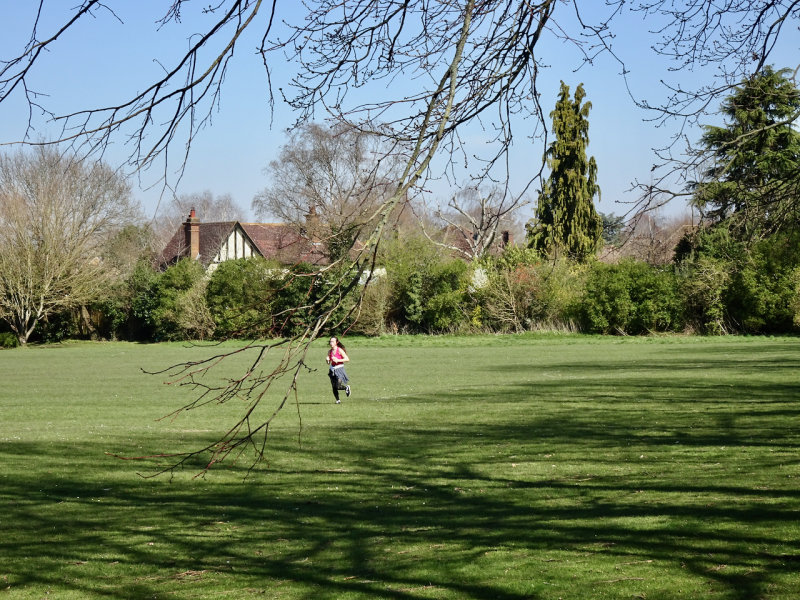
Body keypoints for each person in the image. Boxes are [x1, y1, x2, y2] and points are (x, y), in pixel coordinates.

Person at [326, 336, 351, 404]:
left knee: (338, 386)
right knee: (334, 387)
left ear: (336, 342)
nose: (331, 343)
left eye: (333, 341)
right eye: (330, 341)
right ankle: (338, 400)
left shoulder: (339, 350)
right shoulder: (329, 351)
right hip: (332, 370)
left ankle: (346, 388)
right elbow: (328, 363)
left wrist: (338, 360)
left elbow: (347, 359)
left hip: (339, 369)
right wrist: (327, 360)